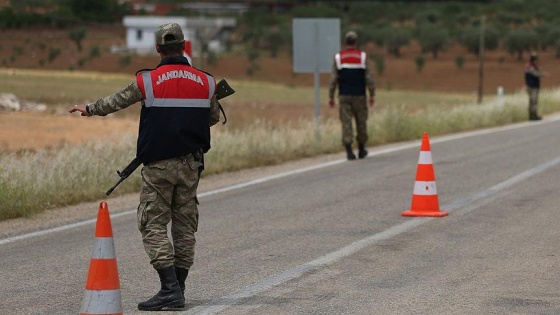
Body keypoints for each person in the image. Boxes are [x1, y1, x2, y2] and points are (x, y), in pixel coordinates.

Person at [69, 23, 222, 311]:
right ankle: (179, 287)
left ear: (158, 49)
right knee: (185, 226)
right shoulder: (207, 82)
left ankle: (169, 289)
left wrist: (89, 108)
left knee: (152, 223)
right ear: (183, 45)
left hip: (159, 167)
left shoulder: (147, 81)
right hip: (191, 165)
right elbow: (211, 118)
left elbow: (116, 101)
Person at [329, 30, 376, 160]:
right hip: (360, 95)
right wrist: (372, 94)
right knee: (361, 121)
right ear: (356, 42)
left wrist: (331, 96)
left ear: (345, 42)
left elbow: (333, 79)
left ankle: (349, 151)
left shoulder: (339, 58)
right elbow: (369, 78)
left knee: (346, 122)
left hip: (344, 95)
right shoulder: (362, 57)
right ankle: (361, 149)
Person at [525, 51, 545, 121]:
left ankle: (532, 115)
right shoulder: (531, 66)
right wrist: (542, 74)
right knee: (533, 101)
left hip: (531, 85)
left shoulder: (530, 66)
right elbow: (536, 74)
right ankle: (533, 116)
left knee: (532, 101)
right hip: (533, 86)